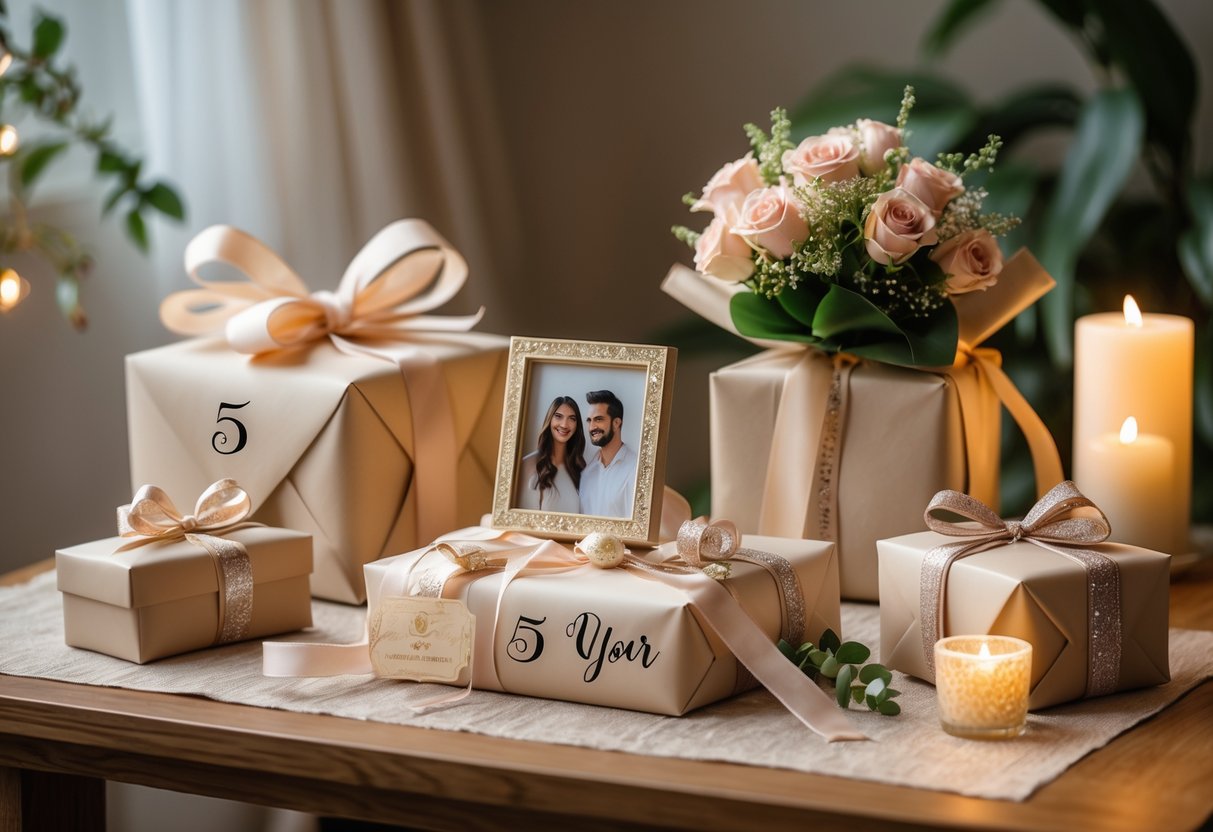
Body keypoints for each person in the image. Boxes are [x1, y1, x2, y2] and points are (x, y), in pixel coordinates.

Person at [517, 396, 586, 512]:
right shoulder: (526, 465)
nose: (564, 424)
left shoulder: (580, 469)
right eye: (558, 416)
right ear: (550, 420)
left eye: (572, 418)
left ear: (576, 425)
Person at [578, 389, 638, 518]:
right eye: (589, 420)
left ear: (616, 423)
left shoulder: (636, 469)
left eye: (598, 419)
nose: (592, 427)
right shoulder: (586, 473)